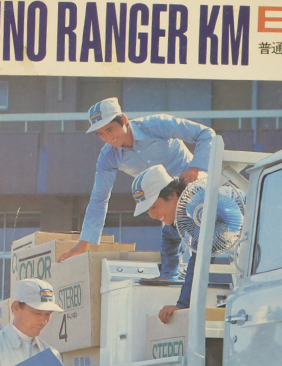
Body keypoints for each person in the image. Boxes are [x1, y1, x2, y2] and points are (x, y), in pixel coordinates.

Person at [58, 97, 217, 282]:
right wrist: (85, 242)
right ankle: (176, 282)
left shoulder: (156, 125)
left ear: (124, 120)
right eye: (101, 134)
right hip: (165, 202)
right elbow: (99, 199)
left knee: (196, 239)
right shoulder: (108, 157)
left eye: (110, 129)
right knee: (172, 246)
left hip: (194, 188)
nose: (108, 138)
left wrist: (195, 168)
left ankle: (193, 284)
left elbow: (206, 133)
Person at [129, 165, 245, 324]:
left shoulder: (199, 207)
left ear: (173, 196)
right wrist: (167, 275)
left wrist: (183, 305)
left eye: (154, 207)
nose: (153, 215)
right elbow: (169, 236)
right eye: (148, 210)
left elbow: (200, 259)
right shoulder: (178, 218)